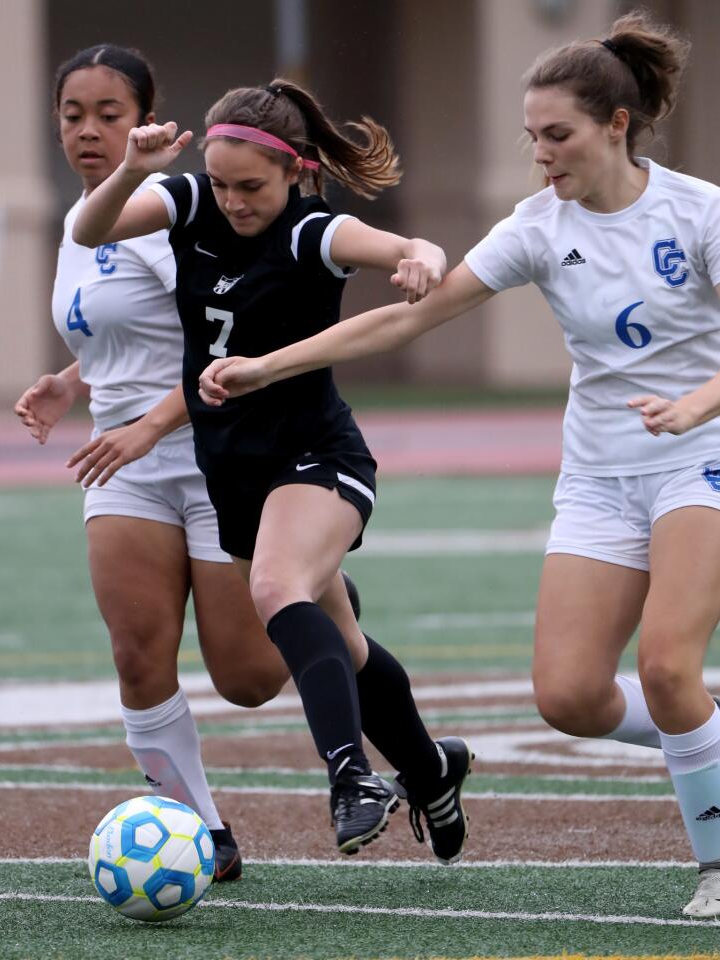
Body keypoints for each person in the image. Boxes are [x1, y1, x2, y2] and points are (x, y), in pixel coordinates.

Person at [195, 13, 720, 915]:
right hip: (598, 473)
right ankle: (706, 744)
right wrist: (266, 366)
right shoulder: (535, 226)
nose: (540, 154)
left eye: (556, 135)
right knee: (568, 696)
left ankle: (714, 861)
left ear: (615, 126)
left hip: (699, 455)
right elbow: (405, 317)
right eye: (530, 137)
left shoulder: (695, 211)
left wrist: (698, 403)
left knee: (669, 669)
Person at [71, 78, 474, 859]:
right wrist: (131, 167)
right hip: (235, 469)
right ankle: (429, 769)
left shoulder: (308, 232)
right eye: (220, 183)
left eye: (250, 186)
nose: (232, 201)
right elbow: (93, 229)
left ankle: (351, 776)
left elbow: (400, 248)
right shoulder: (189, 204)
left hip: (318, 454)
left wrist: (421, 257)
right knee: (343, 642)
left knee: (274, 588)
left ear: (296, 172)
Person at [14, 44, 293, 882]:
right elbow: (122, 332)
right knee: (137, 652)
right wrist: (70, 380)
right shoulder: (79, 224)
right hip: (125, 465)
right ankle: (200, 829)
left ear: (147, 121)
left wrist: (149, 422)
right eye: (73, 115)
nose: (89, 131)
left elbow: (230, 334)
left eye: (109, 114)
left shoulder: (180, 212)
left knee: (246, 677)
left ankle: (320, 607)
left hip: (216, 450)